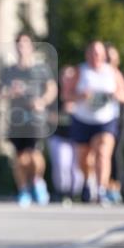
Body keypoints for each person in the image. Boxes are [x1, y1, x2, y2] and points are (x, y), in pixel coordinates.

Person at [65, 40, 124, 205]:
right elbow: (66, 95)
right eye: (92, 53)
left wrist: (115, 95)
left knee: (102, 153)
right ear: (87, 55)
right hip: (83, 119)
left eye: (98, 54)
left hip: (105, 120)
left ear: (104, 55)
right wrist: (80, 96)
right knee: (84, 160)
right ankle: (87, 181)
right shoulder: (80, 71)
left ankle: (101, 190)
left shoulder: (112, 72)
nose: (95, 57)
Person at [0, 32, 57, 206]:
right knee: (19, 158)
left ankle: (38, 182)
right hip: (16, 119)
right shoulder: (9, 70)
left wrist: (42, 101)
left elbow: (52, 89)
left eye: (24, 44)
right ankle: (23, 190)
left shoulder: (41, 69)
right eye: (18, 44)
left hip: (35, 118)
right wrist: (10, 92)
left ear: (31, 47)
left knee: (34, 155)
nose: (21, 47)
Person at [47, 65, 83, 203]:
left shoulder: (80, 93)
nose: (67, 79)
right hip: (59, 135)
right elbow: (48, 115)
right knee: (62, 164)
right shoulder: (54, 95)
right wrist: (62, 113)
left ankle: (77, 193)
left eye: (70, 76)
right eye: (64, 76)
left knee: (77, 167)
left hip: (78, 136)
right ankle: (63, 193)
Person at [104, 43, 124, 204]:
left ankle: (116, 186)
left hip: (121, 119)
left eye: (111, 56)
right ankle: (103, 186)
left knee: (115, 152)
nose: (108, 59)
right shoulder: (98, 76)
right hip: (103, 120)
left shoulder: (122, 75)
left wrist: (117, 95)